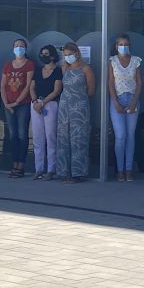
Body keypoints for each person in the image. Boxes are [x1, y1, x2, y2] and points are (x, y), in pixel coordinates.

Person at [57, 43, 94, 183]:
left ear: (76, 53)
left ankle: (78, 173)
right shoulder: (64, 68)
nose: (67, 57)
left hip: (79, 107)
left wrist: (79, 98)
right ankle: (64, 171)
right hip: (64, 106)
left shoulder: (86, 69)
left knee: (78, 138)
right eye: (65, 55)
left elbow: (91, 90)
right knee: (63, 138)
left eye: (69, 54)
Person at [108, 34, 142, 182]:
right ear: (116, 46)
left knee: (130, 136)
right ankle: (119, 169)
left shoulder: (136, 61)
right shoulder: (112, 61)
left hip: (132, 98)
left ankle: (128, 169)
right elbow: (110, 82)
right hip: (118, 99)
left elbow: (140, 82)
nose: (123, 47)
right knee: (120, 136)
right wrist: (115, 102)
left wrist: (134, 101)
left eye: (126, 44)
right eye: (121, 44)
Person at [1, 38, 34, 178]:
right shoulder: (8, 65)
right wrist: (6, 103)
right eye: (16, 46)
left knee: (22, 134)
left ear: (26, 48)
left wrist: (17, 102)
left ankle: (21, 165)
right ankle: (14, 163)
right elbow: (2, 85)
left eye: (21, 46)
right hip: (8, 104)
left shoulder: (30, 64)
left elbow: (28, 85)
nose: (19, 48)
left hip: (23, 104)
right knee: (12, 135)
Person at [30, 45, 63, 181]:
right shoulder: (38, 70)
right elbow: (32, 87)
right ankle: (39, 169)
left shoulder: (57, 71)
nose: (44, 56)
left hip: (51, 104)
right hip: (35, 104)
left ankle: (51, 169)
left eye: (46, 54)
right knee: (38, 137)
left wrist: (43, 103)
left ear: (53, 56)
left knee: (50, 136)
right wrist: (35, 102)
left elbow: (57, 90)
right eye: (42, 53)